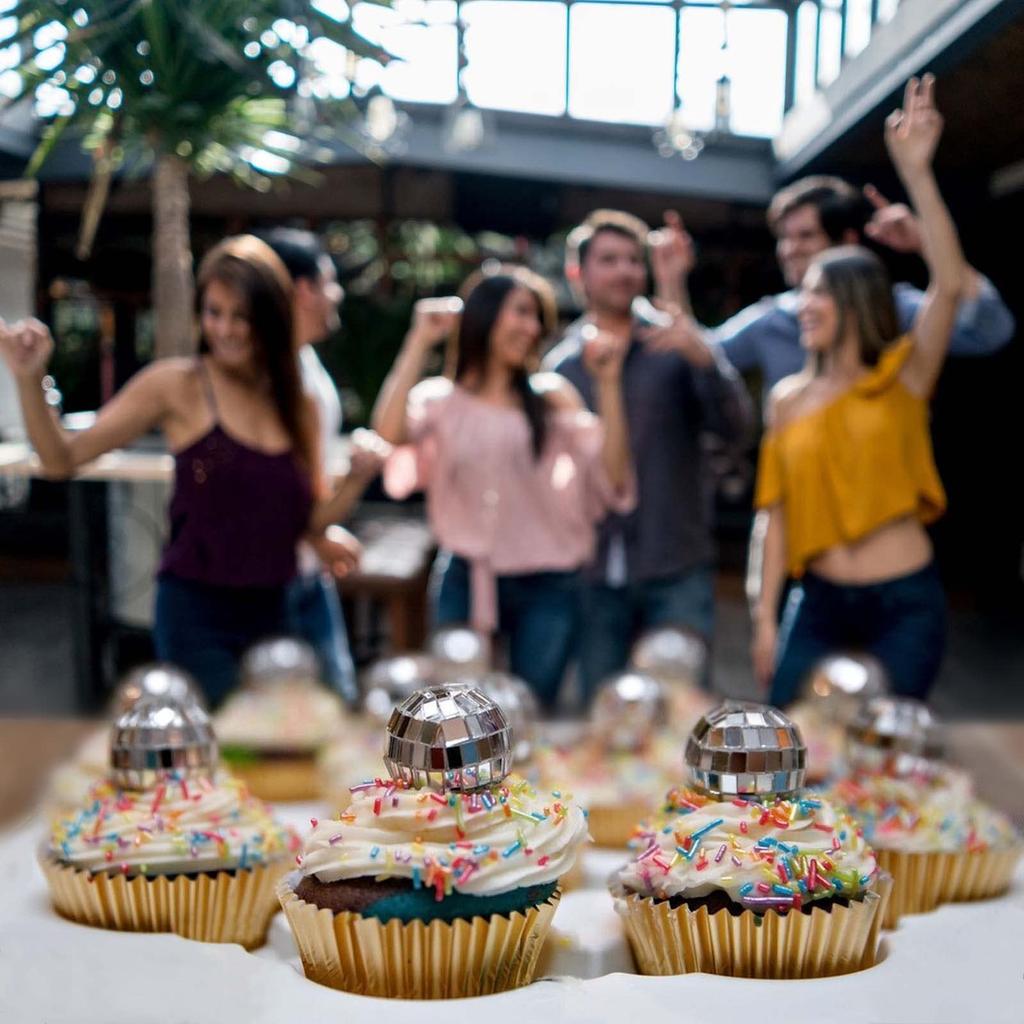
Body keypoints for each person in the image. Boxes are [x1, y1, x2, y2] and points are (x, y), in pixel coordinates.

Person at [0, 235, 376, 705]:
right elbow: (61, 459)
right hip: (198, 611)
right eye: (214, 312)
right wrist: (28, 377)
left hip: (279, 611)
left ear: (271, 317)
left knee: (283, 758)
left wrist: (357, 481)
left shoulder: (300, 402)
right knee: (215, 759)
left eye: (242, 316)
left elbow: (306, 519)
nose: (226, 329)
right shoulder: (177, 385)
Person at [751, 76, 960, 707]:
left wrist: (918, 174)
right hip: (815, 601)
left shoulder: (904, 376)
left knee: (881, 770)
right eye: (804, 289)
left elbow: (949, 287)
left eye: (819, 290)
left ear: (856, 300)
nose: (804, 302)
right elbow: (774, 516)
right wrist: (763, 619)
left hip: (904, 603)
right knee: (788, 761)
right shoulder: (786, 397)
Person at [372, 265, 634, 710]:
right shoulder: (441, 400)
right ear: (487, 315)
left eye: (537, 318)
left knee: (528, 713)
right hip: (465, 576)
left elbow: (612, 476)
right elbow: (389, 433)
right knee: (456, 716)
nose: (532, 328)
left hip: (549, 583)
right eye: (521, 312)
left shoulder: (552, 396)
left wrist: (609, 384)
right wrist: (419, 340)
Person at [543, 210, 752, 700]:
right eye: (609, 260)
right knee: (603, 713)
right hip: (593, 571)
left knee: (684, 712)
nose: (624, 271)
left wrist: (703, 355)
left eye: (633, 260)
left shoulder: (673, 341)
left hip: (675, 559)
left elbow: (736, 428)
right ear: (579, 273)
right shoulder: (564, 367)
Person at [263, 227, 370, 706]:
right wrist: (315, 532)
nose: (337, 293)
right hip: (277, 581)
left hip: (307, 576)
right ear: (304, 289)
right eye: (330, 281)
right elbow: (270, 482)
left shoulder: (304, 361)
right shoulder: (273, 373)